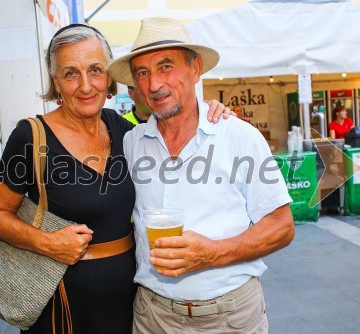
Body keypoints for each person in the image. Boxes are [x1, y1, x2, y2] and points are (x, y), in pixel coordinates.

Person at [0, 23, 232, 334]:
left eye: (96, 70)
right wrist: (46, 242)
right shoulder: (31, 138)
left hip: (131, 302)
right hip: (61, 305)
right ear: (55, 82)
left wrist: (215, 113)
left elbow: (179, 122)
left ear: (109, 78)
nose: (86, 86)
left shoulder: (127, 133)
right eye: (71, 73)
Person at [108, 17, 295, 334]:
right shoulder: (131, 143)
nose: (154, 84)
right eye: (143, 72)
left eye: (166, 66)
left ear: (195, 70)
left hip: (229, 319)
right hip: (152, 318)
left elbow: (282, 227)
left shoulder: (238, 137)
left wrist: (214, 254)